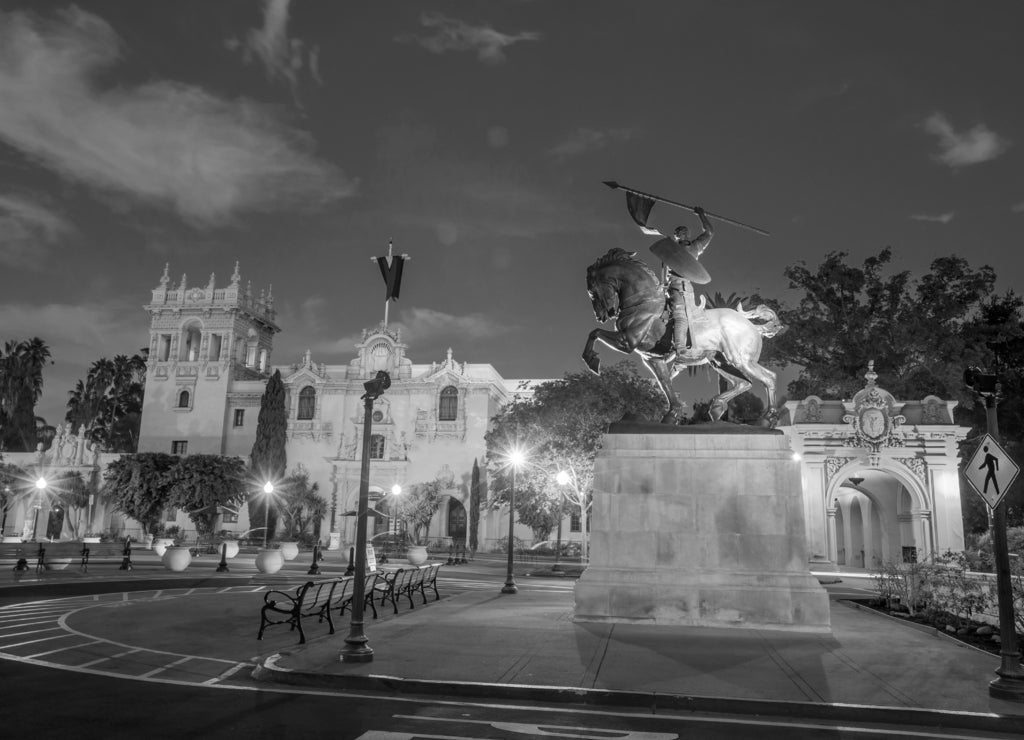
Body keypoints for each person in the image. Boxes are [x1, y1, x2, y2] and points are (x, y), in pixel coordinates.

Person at [667, 206, 714, 351]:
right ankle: (675, 345)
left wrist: (701, 214)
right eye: (680, 233)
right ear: (676, 236)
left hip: (685, 286)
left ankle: (683, 346)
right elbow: (665, 269)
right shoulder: (669, 248)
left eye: (685, 232)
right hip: (671, 285)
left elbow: (709, 232)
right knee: (676, 313)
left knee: (685, 315)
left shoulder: (695, 246)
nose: (683, 234)